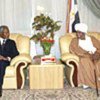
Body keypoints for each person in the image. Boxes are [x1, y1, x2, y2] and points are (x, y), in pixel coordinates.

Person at [69, 23, 100, 89]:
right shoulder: (74, 40)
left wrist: (97, 54)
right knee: (85, 61)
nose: (77, 34)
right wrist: (87, 54)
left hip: (96, 55)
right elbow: (73, 50)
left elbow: (99, 47)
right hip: (85, 56)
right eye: (77, 32)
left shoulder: (92, 38)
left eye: (79, 33)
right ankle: (89, 82)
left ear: (84, 33)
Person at [0, 25, 19, 97]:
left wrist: (7, 58)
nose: (8, 34)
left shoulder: (11, 42)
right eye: (5, 33)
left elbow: (16, 53)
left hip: (5, 61)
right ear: (0, 33)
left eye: (8, 32)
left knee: (1, 64)